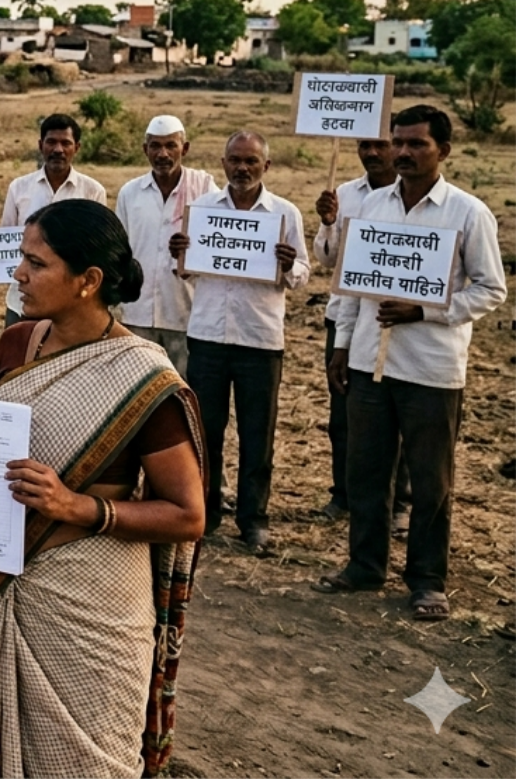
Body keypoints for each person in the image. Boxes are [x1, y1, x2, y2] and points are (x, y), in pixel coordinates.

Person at [0, 200, 205, 779]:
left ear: (88, 281)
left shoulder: (146, 378)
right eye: (20, 258)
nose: (17, 274)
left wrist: (79, 506)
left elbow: (188, 515)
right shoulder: (16, 346)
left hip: (89, 611)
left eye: (36, 264)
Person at [316, 106, 506, 622]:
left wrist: (425, 311)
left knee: (430, 481)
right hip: (369, 367)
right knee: (366, 472)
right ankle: (364, 566)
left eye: (416, 144)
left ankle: (427, 580)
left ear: (443, 151)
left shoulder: (468, 213)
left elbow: (491, 290)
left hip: (432, 369)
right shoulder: (373, 207)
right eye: (398, 142)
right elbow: (353, 289)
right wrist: (342, 347)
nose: (402, 152)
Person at [167, 131, 306, 553]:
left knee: (256, 434)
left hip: (260, 339)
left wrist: (287, 266)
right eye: (234, 160)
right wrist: (181, 255)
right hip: (208, 335)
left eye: (251, 160)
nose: (242, 168)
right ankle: (205, 512)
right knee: (204, 431)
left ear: (267, 165)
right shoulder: (202, 210)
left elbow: (302, 273)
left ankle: (253, 519)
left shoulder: (284, 213)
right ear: (222, 163)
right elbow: (187, 271)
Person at [310, 137, 405, 526]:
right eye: (364, 145)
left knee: (400, 413)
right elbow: (330, 259)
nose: (371, 153)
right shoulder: (345, 193)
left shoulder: (415, 196)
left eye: (380, 145)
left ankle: (399, 503)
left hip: (402, 317)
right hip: (347, 315)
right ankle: (344, 495)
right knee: (345, 412)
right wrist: (330, 223)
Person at [113, 115, 217, 374]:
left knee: (181, 392)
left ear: (185, 148)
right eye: (155, 146)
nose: (163, 154)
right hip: (137, 314)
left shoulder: (205, 190)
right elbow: (119, 249)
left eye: (171, 145)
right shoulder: (130, 193)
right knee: (139, 393)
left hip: (186, 313)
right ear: (144, 149)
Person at [0, 114, 107, 326]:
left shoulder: (92, 191)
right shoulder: (19, 188)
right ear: (41, 145)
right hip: (22, 303)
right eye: (51, 142)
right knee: (20, 358)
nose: (58, 149)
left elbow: (97, 250)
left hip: (70, 308)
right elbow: (6, 241)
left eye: (66, 143)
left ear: (77, 147)